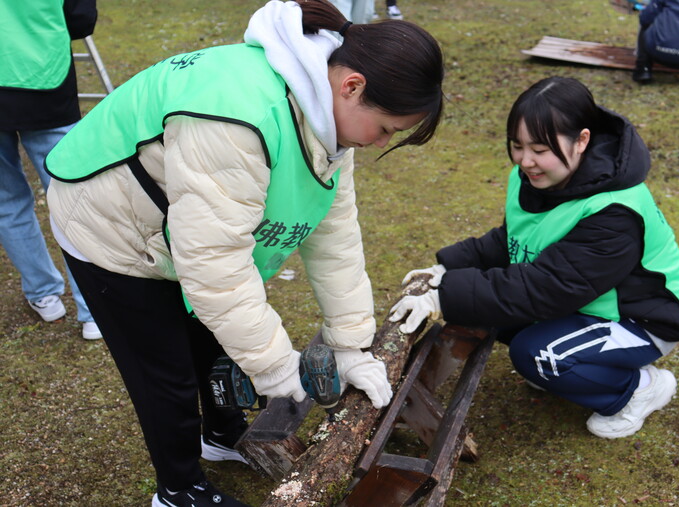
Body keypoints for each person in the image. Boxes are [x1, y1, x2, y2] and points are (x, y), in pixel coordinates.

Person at [44, 0, 444, 504]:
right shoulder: (240, 116)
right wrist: (276, 367)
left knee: (211, 335)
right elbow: (215, 266)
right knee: (164, 369)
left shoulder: (327, 120)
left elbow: (334, 236)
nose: (379, 142)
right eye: (386, 129)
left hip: (176, 222)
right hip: (110, 222)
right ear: (353, 86)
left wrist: (350, 345)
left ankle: (222, 433)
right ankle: (178, 490)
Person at [389, 76, 679, 440]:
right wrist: (447, 268)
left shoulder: (615, 211)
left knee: (538, 355)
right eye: (517, 146)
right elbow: (513, 241)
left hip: (642, 317)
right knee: (497, 316)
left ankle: (638, 388)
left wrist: (444, 296)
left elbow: (548, 289)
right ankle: (578, 366)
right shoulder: (539, 179)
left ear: (582, 140)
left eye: (540, 149)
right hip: (586, 300)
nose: (526, 161)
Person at [0, 0, 102, 340]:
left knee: (6, 201)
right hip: (43, 76)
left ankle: (43, 293)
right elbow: (81, 19)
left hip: (38, 77)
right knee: (73, 199)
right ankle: (93, 310)